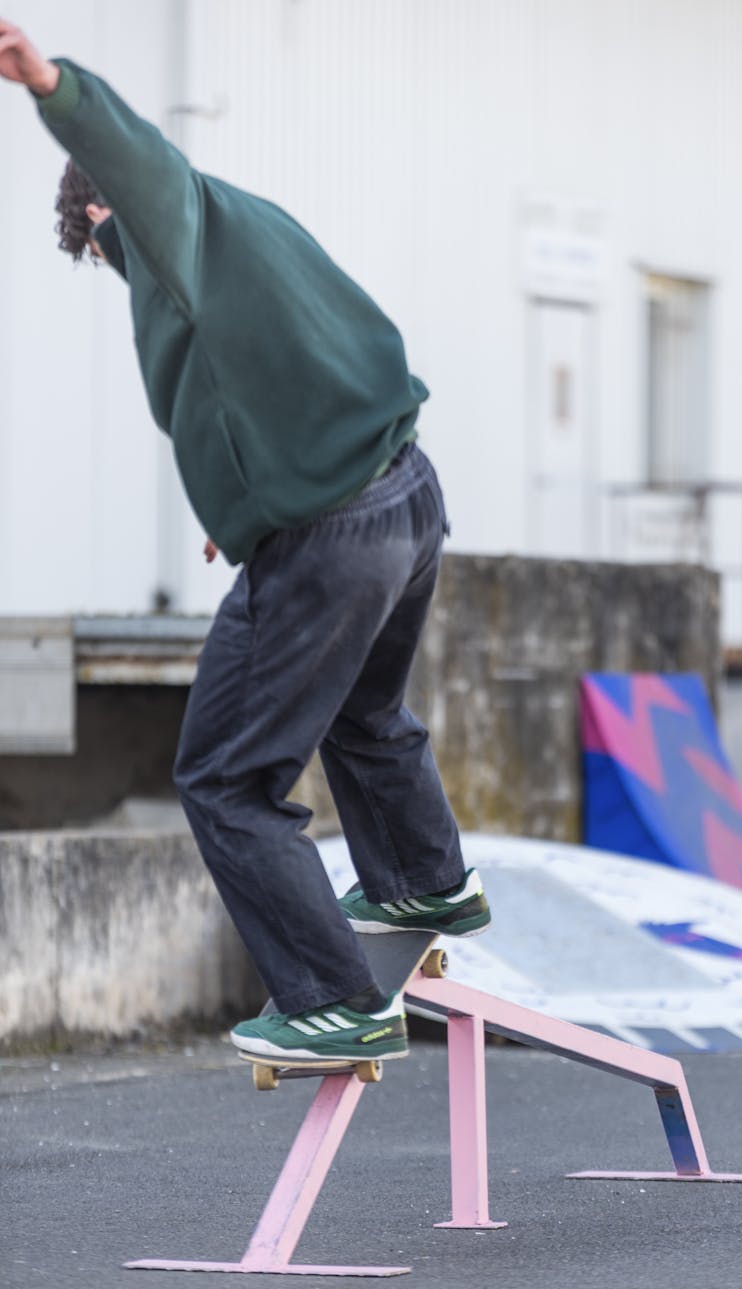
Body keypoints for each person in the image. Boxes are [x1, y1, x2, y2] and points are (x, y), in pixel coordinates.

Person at [0, 18, 490, 1067]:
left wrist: (50, 84)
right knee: (364, 708)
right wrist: (248, 506)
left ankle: (329, 998)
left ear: (100, 216)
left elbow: (136, 165)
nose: (112, 272)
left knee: (224, 773)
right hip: (404, 491)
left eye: (99, 254)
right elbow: (271, 381)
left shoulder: (164, 224)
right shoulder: (251, 225)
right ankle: (426, 878)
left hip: (331, 540)